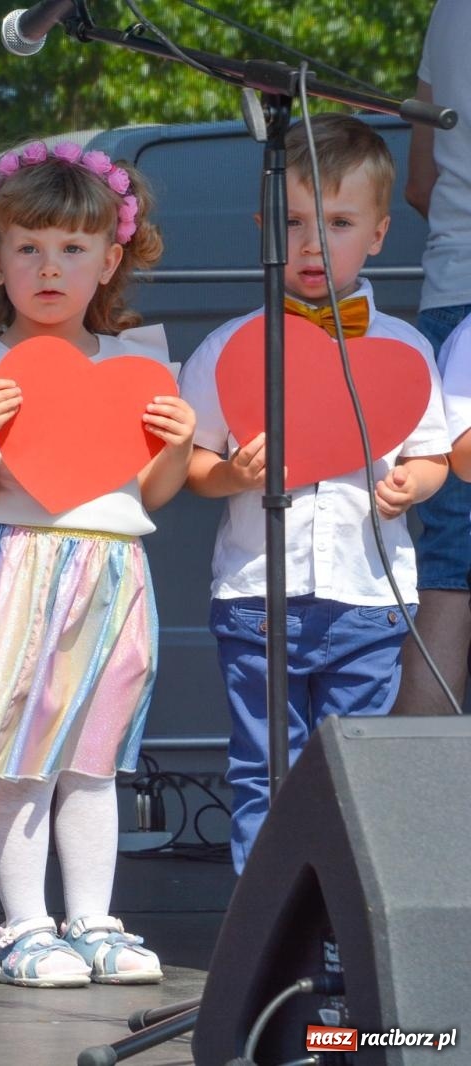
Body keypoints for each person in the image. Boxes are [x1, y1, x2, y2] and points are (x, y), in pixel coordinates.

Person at [0, 141, 185, 988]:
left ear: (110, 259)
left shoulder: (140, 363)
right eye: (29, 246)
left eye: (73, 248)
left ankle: (93, 920)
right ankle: (24, 928)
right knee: (27, 758)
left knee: (96, 761)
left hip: (115, 572)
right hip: (23, 566)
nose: (50, 266)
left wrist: (179, 449)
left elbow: (149, 494)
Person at [179, 113, 449, 872]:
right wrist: (233, 474)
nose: (311, 242)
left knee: (351, 778)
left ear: (379, 233)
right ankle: (263, 941)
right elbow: (197, 464)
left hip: (367, 600)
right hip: (255, 597)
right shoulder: (231, 346)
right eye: (294, 221)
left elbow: (431, 454)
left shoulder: (404, 347)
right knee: (265, 769)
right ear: (265, 227)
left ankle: (339, 933)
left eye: (336, 222)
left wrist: (410, 485)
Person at [397, 0, 471, 716]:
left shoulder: (449, 12)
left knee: (450, 546)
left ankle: (419, 802)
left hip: (455, 294)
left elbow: (419, 182)